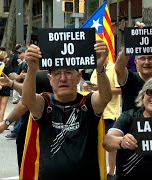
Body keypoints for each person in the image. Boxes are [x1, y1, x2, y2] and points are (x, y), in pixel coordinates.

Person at [21, 40, 112, 179]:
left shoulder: (88, 102)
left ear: (78, 77)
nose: (63, 78)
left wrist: (100, 67)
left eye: (69, 72)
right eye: (57, 74)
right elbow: (27, 101)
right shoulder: (45, 103)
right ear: (50, 79)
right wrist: (31, 69)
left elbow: (105, 97)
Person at [83, 57, 121, 180]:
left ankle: (111, 172)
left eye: (100, 55)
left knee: (111, 145)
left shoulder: (113, 68)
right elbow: (94, 90)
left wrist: (100, 89)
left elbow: (120, 89)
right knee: (94, 143)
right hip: (95, 112)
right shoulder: (95, 70)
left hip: (110, 112)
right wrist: (89, 89)